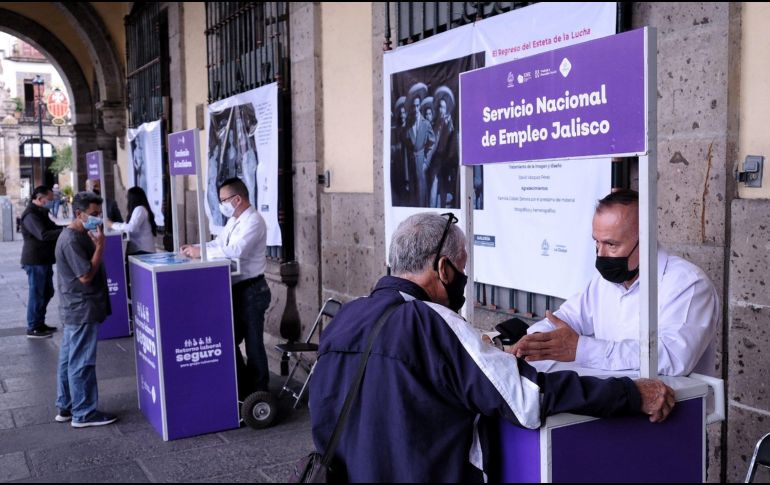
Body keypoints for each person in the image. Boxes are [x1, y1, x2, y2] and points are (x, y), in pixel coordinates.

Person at [310, 212, 676, 482]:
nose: (463, 281)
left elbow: (324, 411)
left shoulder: (346, 315)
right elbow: (528, 399)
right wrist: (630, 394)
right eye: (462, 269)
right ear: (443, 269)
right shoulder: (433, 323)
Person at [510, 189, 720, 376]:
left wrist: (581, 349)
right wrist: (536, 340)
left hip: (675, 412)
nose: (601, 254)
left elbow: (672, 357)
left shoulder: (688, 285)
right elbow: (567, 318)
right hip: (616, 404)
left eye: (611, 244)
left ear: (645, 240)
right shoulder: (604, 283)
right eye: (597, 242)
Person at [181, 177, 271, 398]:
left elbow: (235, 251)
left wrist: (201, 253)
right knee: (230, 338)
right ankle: (243, 387)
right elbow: (220, 244)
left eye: (224, 200)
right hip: (238, 289)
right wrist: (197, 247)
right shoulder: (234, 220)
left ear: (237, 199)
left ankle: (260, 392)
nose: (221, 204)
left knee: (253, 344)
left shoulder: (254, 221)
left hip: (253, 290)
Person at [54, 191, 117, 427]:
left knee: (69, 358)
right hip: (81, 308)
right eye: (93, 214)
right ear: (78, 213)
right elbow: (86, 276)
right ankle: (84, 412)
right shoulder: (71, 239)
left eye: (99, 214)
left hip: (78, 308)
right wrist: (100, 247)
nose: (97, 219)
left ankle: (67, 406)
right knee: (81, 361)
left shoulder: (80, 234)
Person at [20, 186, 63, 338]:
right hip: (35, 260)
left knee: (47, 291)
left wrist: (67, 227)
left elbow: (54, 228)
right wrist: (65, 231)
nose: (52, 202)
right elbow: (43, 234)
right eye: (50, 199)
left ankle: (40, 322)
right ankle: (33, 327)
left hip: (44, 259)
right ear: (39, 199)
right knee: (37, 293)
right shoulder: (30, 215)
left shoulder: (41, 212)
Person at [404, 82, 435, 207]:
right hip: (411, 164)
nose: (415, 109)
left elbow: (432, 144)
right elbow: (406, 151)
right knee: (412, 196)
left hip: (421, 162)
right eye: (413, 106)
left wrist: (426, 163)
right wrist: (406, 174)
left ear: (420, 107)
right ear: (411, 107)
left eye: (417, 106)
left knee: (422, 195)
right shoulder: (408, 125)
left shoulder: (425, 124)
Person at [106, 186, 157, 255]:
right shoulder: (140, 209)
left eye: (127, 197)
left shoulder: (140, 209)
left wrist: (112, 224)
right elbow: (128, 225)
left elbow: (131, 228)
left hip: (142, 250)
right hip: (140, 250)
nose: (126, 199)